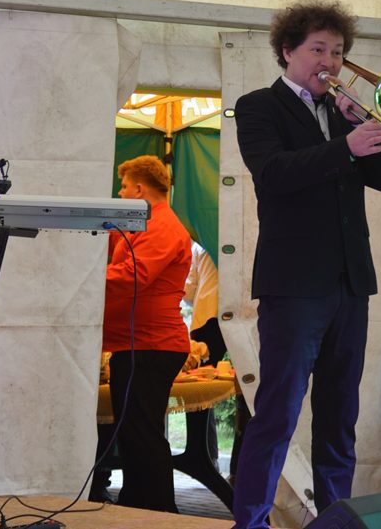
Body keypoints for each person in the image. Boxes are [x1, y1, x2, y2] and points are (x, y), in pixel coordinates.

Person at [232, 0, 381, 528]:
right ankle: (251, 522)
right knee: (277, 415)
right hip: (294, 285)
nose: (330, 61)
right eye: (318, 50)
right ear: (288, 52)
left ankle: (335, 520)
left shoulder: (343, 110)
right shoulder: (258, 106)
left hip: (351, 284)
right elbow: (274, 172)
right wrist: (346, 147)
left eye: (339, 52)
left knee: (339, 418)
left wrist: (367, 127)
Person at [102, 155, 193, 513]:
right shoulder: (145, 224)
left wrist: (84, 280)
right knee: (135, 432)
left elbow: (132, 276)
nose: (120, 193)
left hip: (151, 344)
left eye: (124, 187)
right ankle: (138, 505)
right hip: (138, 342)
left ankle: (157, 510)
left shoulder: (162, 226)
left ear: (139, 189)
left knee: (142, 433)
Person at [183, 241, 223, 468]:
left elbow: (188, 290)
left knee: (198, 390)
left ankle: (205, 456)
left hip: (207, 317)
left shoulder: (200, 246)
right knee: (248, 390)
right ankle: (239, 468)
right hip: (244, 315)